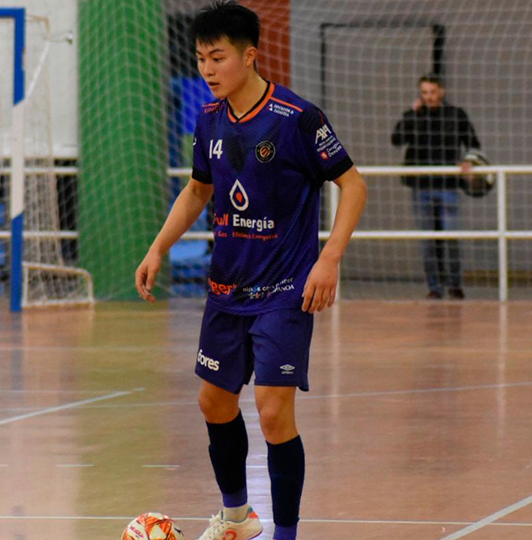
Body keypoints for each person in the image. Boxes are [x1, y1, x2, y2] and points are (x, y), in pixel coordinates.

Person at [134, 3, 367, 540]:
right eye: (200, 59)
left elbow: (353, 185)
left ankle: (286, 534)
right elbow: (198, 191)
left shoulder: (297, 118)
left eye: (218, 57)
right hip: (225, 290)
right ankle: (237, 519)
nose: (207, 70)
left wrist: (328, 258)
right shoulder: (208, 118)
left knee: (272, 410)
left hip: (285, 289)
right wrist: (157, 248)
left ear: (249, 55)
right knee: (213, 401)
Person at [391, 74, 482, 300]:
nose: (428, 97)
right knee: (428, 240)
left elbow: (473, 143)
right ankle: (434, 287)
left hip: (448, 184)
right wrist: (412, 114)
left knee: (451, 238)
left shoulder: (455, 115)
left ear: (441, 91)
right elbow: (396, 139)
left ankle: (455, 284)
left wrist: (468, 160)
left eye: (432, 92)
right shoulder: (415, 116)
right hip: (421, 186)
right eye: (424, 93)